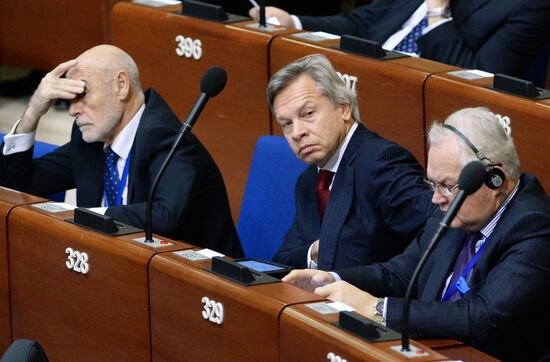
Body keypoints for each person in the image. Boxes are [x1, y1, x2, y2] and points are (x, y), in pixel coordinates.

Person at [283, 107, 550, 361]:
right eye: (432, 184)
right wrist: (330, 279)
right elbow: (400, 273)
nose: (435, 198)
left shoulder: (534, 226)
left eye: (446, 185)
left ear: (496, 180)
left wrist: (379, 310)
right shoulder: (455, 213)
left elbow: (485, 316)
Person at [0, 45, 244, 258]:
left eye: (82, 95)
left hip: (204, 286)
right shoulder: (90, 141)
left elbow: (163, 216)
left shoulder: (166, 138)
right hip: (119, 267)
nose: (72, 110)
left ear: (121, 85)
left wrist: (83, 216)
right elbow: (17, 185)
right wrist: (33, 112)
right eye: (70, 99)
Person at [268, 54, 435, 270]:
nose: (297, 132)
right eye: (287, 124)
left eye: (308, 114)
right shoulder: (309, 181)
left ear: (344, 108)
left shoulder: (382, 162)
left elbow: (436, 233)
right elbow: (282, 260)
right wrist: (318, 252)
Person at [249, 0, 550, 78]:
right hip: (356, 78)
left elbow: (476, 81)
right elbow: (364, 22)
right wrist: (295, 22)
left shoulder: (527, 7)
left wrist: (438, 13)